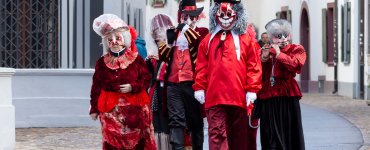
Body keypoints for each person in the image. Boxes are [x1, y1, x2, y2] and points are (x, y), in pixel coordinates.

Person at [192, 0, 262, 149]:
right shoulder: (207, 41)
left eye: (229, 14)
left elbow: (253, 65)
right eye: (221, 14)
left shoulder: (246, 40)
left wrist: (252, 89)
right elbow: (201, 66)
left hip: (239, 98)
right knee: (217, 135)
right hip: (214, 97)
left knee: (238, 137)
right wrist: (199, 86)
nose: (225, 18)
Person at [89, 14, 156, 150]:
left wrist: (133, 87)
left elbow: (146, 78)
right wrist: (94, 109)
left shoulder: (136, 59)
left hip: (134, 110)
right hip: (110, 112)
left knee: (137, 144)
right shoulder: (102, 63)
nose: (114, 42)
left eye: (117, 38)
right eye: (110, 39)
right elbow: (96, 86)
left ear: (124, 39)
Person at [158, 0, 206, 149]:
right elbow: (163, 57)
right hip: (173, 84)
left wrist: (186, 29)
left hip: (193, 84)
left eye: (193, 16)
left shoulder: (202, 32)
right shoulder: (172, 32)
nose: (190, 19)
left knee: (195, 121)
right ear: (181, 16)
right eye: (187, 16)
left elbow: (200, 45)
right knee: (176, 121)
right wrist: (169, 44)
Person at [255, 19, 306, 150]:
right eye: (279, 36)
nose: (283, 39)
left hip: (287, 95)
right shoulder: (265, 50)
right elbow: (257, 71)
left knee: (289, 129)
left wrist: (279, 54)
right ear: (272, 38)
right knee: (270, 131)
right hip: (269, 96)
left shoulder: (296, 49)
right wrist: (264, 57)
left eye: (286, 35)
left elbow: (295, 65)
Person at [146, 13, 174, 150]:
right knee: (156, 121)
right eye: (155, 31)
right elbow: (149, 77)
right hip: (156, 92)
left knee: (167, 122)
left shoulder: (173, 49)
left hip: (169, 91)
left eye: (160, 30)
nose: (157, 35)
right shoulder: (152, 52)